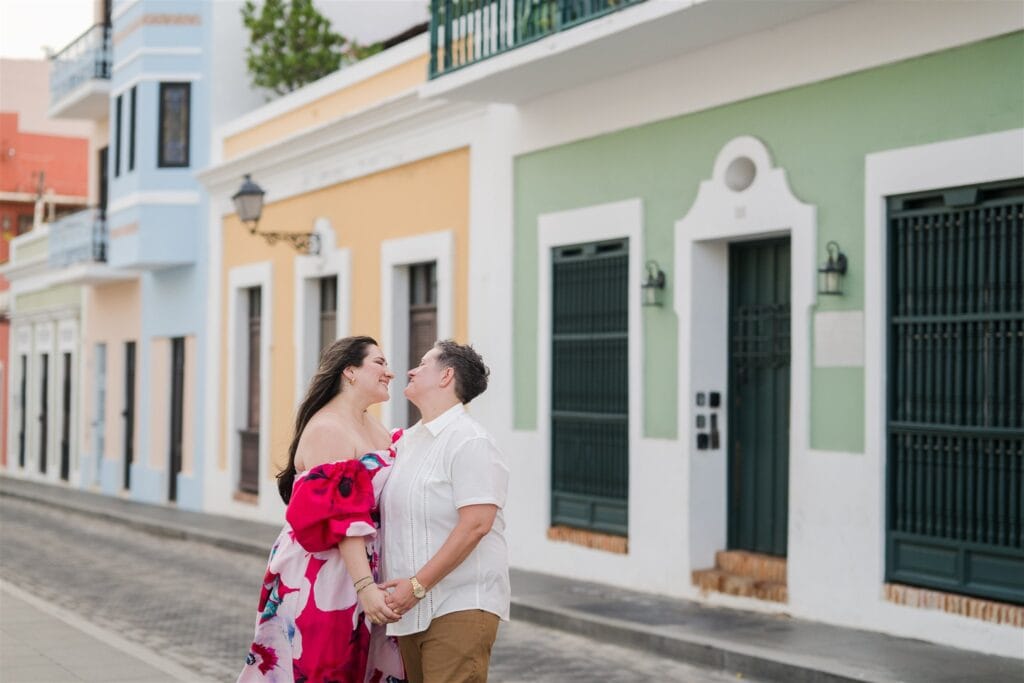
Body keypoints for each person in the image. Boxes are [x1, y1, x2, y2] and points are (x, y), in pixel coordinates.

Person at [238, 336, 406, 683]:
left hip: (362, 568)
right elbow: (341, 518)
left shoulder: (371, 423)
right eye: (379, 362)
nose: (389, 373)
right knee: (328, 670)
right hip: (327, 575)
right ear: (350, 371)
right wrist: (364, 586)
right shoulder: (328, 429)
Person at [380, 340, 510, 683]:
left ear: (446, 376)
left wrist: (416, 586)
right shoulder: (406, 442)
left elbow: (476, 525)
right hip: (408, 612)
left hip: (458, 604)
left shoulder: (470, 441)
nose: (411, 370)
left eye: (423, 364)